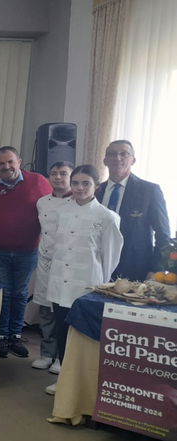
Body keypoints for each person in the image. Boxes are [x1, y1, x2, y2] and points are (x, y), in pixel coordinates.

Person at [44, 164, 123, 395]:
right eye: (76, 183)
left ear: (96, 186)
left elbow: (110, 257)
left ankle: (85, 384)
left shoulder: (107, 217)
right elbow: (53, 246)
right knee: (62, 330)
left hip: (87, 284)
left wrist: (100, 286)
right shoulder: (61, 211)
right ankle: (64, 381)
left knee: (84, 335)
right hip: (60, 281)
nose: (79, 188)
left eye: (85, 183)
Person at [0, 146, 51, 358]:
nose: (6, 167)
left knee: (20, 294)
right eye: (1, 163)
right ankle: (2, 337)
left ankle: (15, 335)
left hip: (27, 251)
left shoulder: (39, 181)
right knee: (4, 294)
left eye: (10, 162)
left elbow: (56, 202)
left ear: (19, 161)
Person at [97, 140, 170, 282]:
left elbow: (163, 235)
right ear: (105, 160)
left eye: (124, 154)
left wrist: (155, 269)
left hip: (136, 270)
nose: (117, 158)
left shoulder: (149, 191)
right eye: (112, 154)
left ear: (133, 160)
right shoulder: (95, 191)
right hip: (98, 267)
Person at [30, 161, 73, 374]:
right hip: (46, 262)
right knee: (46, 311)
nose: (58, 177)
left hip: (66, 265)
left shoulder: (77, 203)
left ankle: (61, 357)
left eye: (63, 173)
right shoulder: (42, 202)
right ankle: (47, 353)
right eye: (54, 173)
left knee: (63, 311)